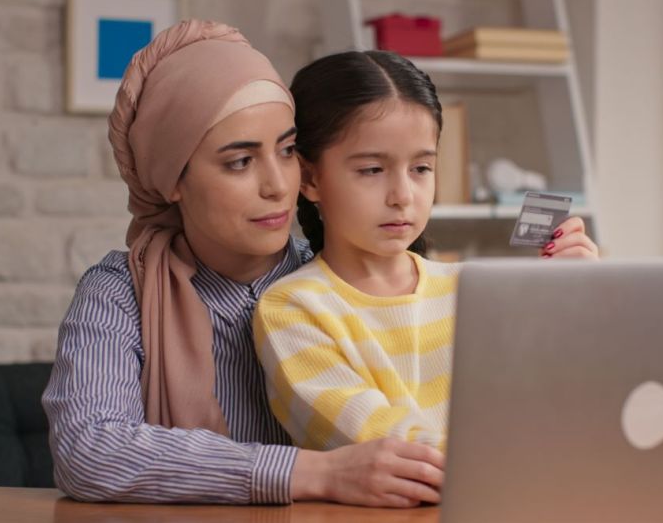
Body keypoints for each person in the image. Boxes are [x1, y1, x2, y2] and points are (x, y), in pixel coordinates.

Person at [42, 20, 447, 508]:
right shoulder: (120, 294)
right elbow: (89, 451)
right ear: (173, 177)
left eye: (288, 150)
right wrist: (311, 472)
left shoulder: (335, 283)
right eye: (240, 161)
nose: (278, 185)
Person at [252, 51, 599, 455]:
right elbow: (388, 447)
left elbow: (565, 404)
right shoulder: (292, 309)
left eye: (421, 169)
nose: (403, 197)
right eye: (372, 170)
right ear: (310, 179)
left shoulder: (473, 290)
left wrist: (582, 307)